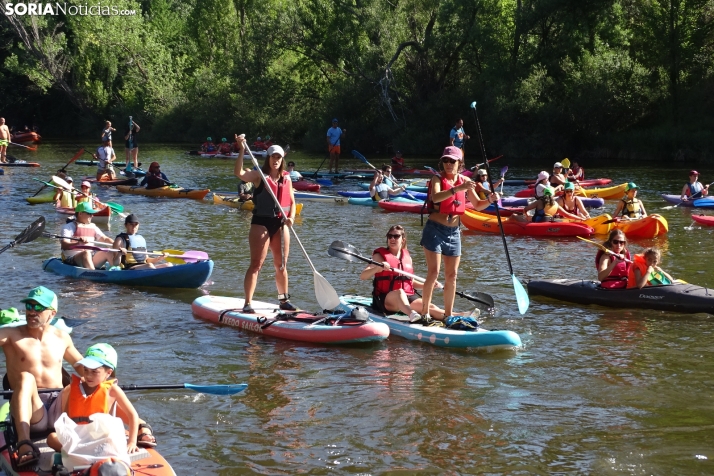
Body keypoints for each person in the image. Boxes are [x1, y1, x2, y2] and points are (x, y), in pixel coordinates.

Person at [0, 286, 84, 469]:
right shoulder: (9, 335)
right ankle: (24, 444)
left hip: (59, 408)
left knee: (83, 380)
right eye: (29, 306)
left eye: (38, 308)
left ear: (52, 313)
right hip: (32, 409)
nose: (31, 311)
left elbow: (85, 367)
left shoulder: (62, 337)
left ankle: (137, 425)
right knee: (25, 377)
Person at [419, 146, 499, 324]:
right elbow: (437, 197)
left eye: (452, 161)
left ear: (459, 163)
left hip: (454, 232)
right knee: (434, 272)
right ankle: (424, 312)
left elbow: (478, 205)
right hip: (435, 229)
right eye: (445, 161)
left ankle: (448, 315)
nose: (448, 164)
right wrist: (457, 189)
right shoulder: (437, 178)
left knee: (452, 275)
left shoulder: (465, 180)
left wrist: (490, 200)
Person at [46, 343, 157, 454]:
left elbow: (132, 415)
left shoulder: (113, 390)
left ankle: (78, 452)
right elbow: (66, 417)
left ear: (108, 373)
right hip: (78, 437)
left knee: (109, 440)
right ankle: (79, 451)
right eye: (86, 370)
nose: (88, 375)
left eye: (94, 371)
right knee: (51, 438)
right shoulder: (75, 388)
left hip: (101, 438)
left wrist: (132, 442)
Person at [234, 135, 298, 312]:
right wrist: (241, 149)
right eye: (273, 157)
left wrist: (291, 218)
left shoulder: (287, 178)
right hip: (261, 223)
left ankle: (283, 301)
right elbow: (238, 173)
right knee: (256, 264)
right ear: (268, 158)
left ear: (282, 160)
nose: (276, 160)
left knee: (281, 265)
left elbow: (292, 202)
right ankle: (247, 303)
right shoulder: (259, 176)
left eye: (279, 157)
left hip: (280, 224)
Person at [359, 226, 476, 322]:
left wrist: (427, 284)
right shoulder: (379, 256)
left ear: (403, 239)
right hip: (385, 299)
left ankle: (459, 316)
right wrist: (377, 269)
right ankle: (412, 314)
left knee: (429, 306)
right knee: (400, 292)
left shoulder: (407, 257)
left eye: (396, 236)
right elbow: (363, 276)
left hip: (407, 297)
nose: (392, 239)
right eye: (390, 236)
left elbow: (409, 282)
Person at [60, 202, 116, 269]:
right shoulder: (68, 227)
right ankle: (94, 274)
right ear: (80, 213)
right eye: (89, 213)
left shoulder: (93, 226)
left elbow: (104, 239)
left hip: (90, 256)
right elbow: (64, 245)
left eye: (92, 214)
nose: (92, 216)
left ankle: (118, 271)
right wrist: (78, 243)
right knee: (86, 253)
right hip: (72, 259)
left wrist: (116, 245)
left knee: (108, 251)